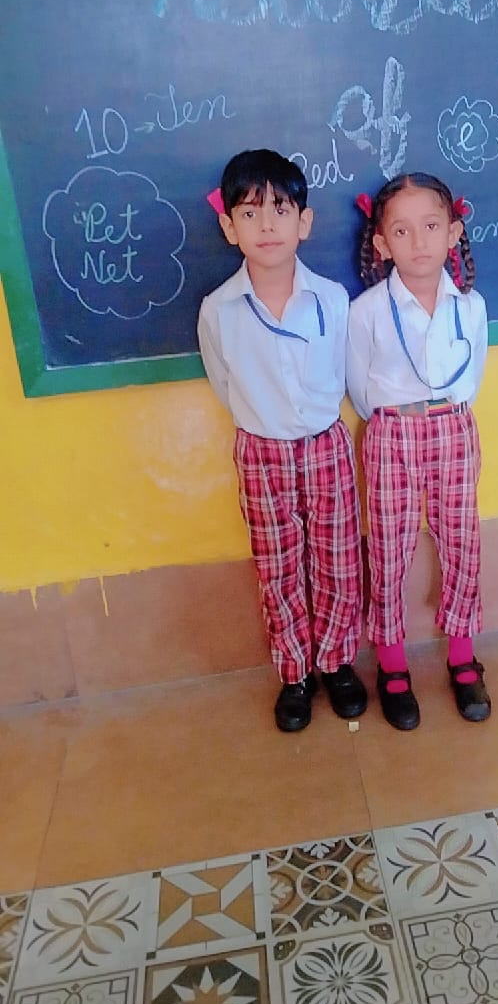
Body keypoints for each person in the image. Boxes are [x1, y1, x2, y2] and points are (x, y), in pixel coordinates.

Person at [198, 149, 366, 732]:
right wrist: (266, 421)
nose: (266, 225)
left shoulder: (332, 299)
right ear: (229, 227)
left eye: (280, 209)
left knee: (338, 561)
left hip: (326, 446)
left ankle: (337, 662)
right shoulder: (219, 310)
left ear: (304, 221)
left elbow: (344, 371)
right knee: (278, 567)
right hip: (261, 451)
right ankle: (294, 673)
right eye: (249, 213)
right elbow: (224, 383)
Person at [346, 172, 490, 731]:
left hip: (453, 428)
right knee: (389, 547)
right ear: (382, 244)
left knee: (462, 539)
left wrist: (443, 412)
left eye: (431, 226)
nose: (418, 241)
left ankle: (462, 654)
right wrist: (395, 418)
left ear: (453, 232)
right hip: (392, 434)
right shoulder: (368, 310)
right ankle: (391, 661)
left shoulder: (470, 307)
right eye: (401, 231)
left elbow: (472, 375)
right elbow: (359, 385)